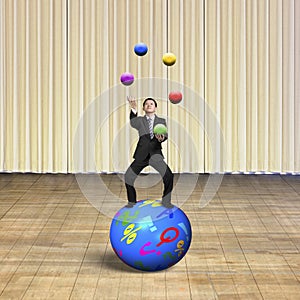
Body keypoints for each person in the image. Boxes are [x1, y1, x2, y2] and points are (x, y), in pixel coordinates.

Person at [124, 96, 174, 208]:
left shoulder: (161, 121)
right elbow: (133, 122)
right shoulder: (140, 121)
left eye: (151, 104)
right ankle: (131, 202)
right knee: (128, 177)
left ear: (155, 107)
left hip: (155, 154)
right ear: (143, 108)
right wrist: (133, 109)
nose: (149, 105)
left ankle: (166, 202)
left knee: (169, 176)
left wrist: (161, 138)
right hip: (141, 154)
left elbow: (164, 136)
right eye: (146, 104)